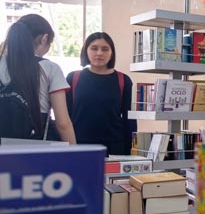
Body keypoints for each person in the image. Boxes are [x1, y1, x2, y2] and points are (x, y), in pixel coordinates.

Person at [0, 14, 75, 143]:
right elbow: (63, 123)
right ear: (44, 38)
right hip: (32, 150)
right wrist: (76, 156)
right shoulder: (50, 68)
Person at [66, 32, 136, 155]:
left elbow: (129, 119)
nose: (99, 53)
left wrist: (130, 149)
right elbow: (66, 117)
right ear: (86, 51)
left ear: (111, 53)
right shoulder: (73, 78)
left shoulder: (123, 80)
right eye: (94, 48)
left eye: (105, 49)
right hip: (78, 145)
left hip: (114, 148)